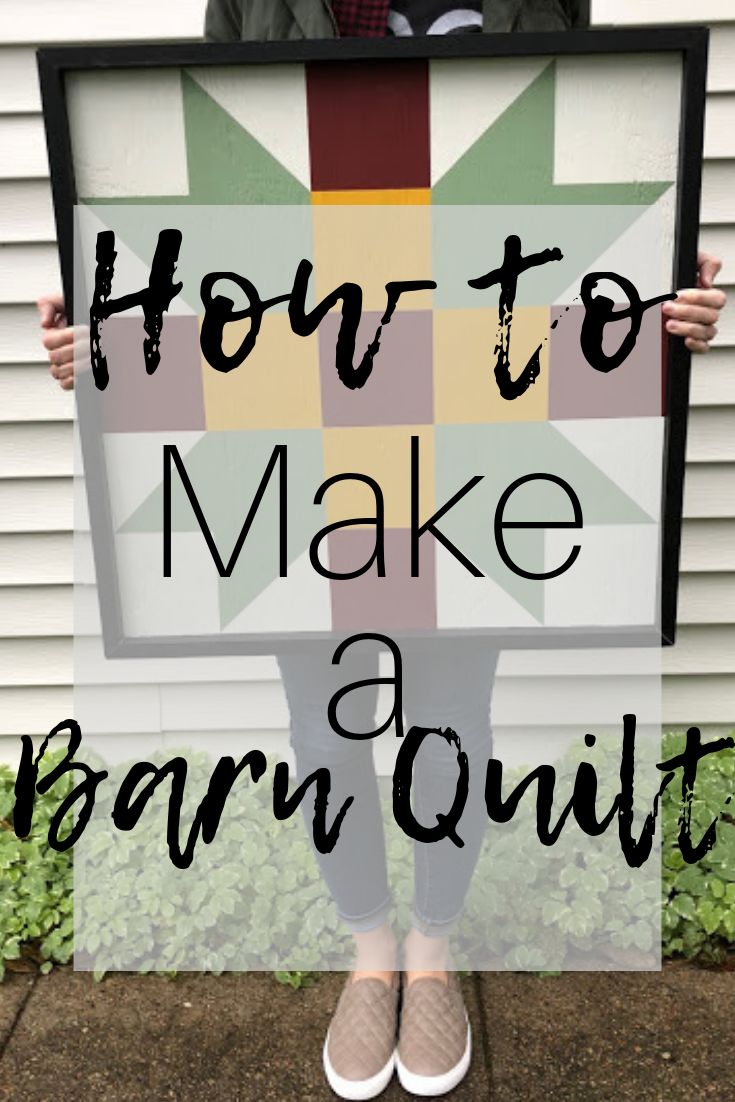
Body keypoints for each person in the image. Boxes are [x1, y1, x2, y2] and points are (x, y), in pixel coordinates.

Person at [39, 3, 727, 1099]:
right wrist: (109, 336)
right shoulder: (251, 1)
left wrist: (659, 288)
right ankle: (369, 948)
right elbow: (204, 205)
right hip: (290, 426)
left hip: (480, 429)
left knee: (452, 717)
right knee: (324, 722)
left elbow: (591, 175)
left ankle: (431, 952)